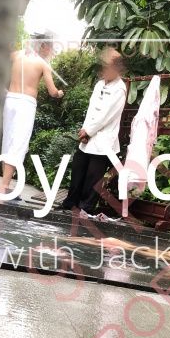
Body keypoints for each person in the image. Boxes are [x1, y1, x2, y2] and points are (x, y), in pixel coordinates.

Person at [61, 47, 127, 214]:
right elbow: (91, 110)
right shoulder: (99, 85)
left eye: (107, 66)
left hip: (103, 141)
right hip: (88, 136)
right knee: (78, 169)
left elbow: (106, 115)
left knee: (93, 176)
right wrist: (85, 131)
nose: (103, 70)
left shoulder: (120, 89)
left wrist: (88, 131)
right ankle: (70, 203)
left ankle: (86, 208)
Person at [0, 34, 64, 196]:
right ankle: (3, 187)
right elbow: (52, 91)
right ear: (43, 46)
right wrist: (59, 93)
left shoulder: (16, 55)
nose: (51, 51)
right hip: (25, 104)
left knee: (8, 141)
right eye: (51, 48)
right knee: (18, 144)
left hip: (10, 100)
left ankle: (5, 186)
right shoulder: (42, 63)